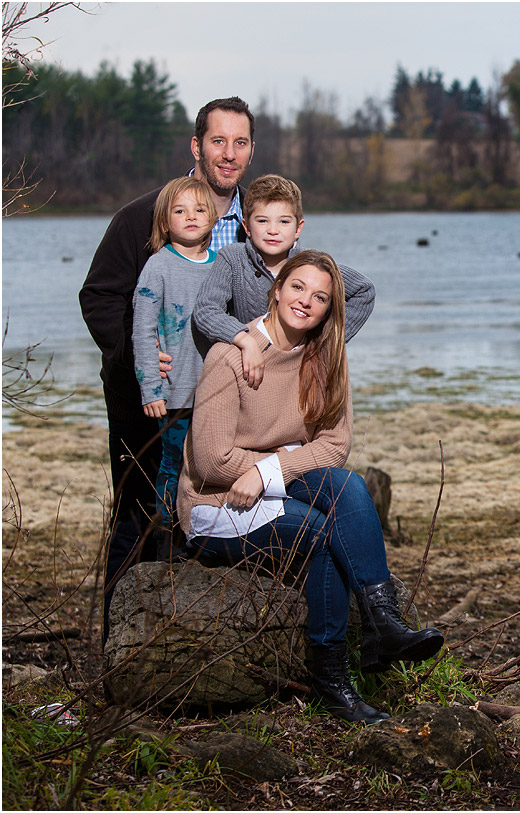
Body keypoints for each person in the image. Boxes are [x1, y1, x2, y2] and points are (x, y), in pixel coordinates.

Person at [178, 250, 442, 724]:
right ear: (276, 289)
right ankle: (336, 677)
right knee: (323, 534)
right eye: (297, 287)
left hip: (272, 484)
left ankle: (382, 624)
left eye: (320, 297)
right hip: (217, 502)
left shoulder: (324, 360)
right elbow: (212, 460)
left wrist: (266, 471)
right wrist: (276, 465)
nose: (305, 302)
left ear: (329, 309)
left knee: (349, 486)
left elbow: (336, 446)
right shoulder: (229, 356)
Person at [79, 97, 255, 636]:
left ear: (251, 150)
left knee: (210, 512)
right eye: (218, 141)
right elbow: (100, 297)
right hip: (149, 401)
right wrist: (138, 356)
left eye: (240, 142)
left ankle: (192, 650)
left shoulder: (260, 225)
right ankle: (120, 652)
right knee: (139, 516)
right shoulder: (145, 217)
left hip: (227, 405)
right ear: (196, 146)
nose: (228, 155)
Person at [192, 174, 375, 390]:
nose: (273, 230)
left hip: (296, 374)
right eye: (262, 220)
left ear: (298, 228)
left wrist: (325, 345)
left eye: (284, 221)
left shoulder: (310, 265)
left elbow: (364, 290)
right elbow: (206, 310)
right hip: (248, 371)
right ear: (246, 226)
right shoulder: (232, 258)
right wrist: (244, 339)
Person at [131, 176, 218, 528]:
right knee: (174, 462)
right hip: (176, 392)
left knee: (210, 464)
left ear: (212, 218)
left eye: (199, 210)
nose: (191, 216)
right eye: (180, 211)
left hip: (216, 389)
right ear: (166, 222)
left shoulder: (220, 265)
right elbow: (142, 331)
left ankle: (207, 528)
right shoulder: (158, 267)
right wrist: (151, 388)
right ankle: (168, 533)